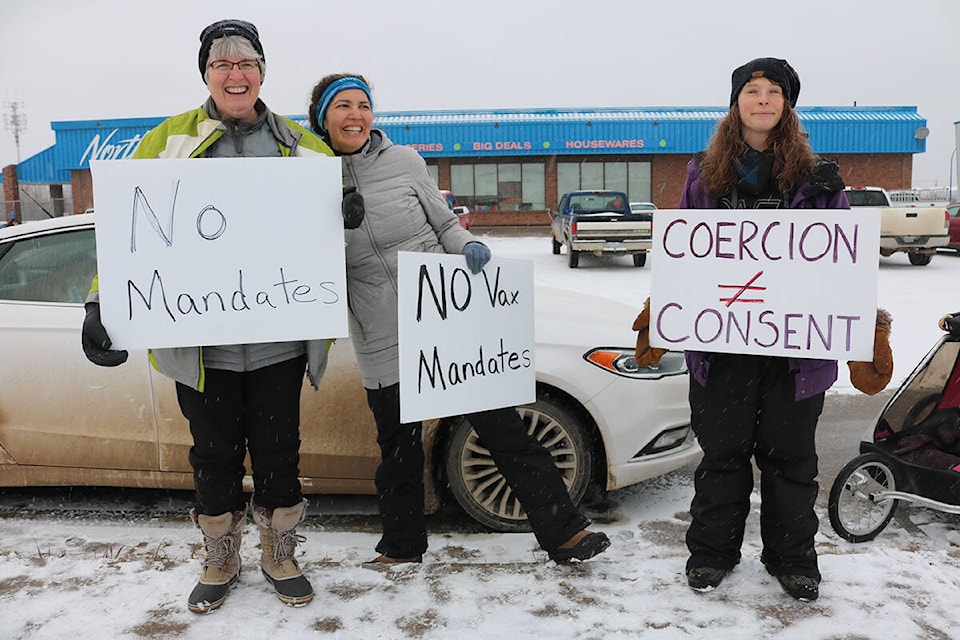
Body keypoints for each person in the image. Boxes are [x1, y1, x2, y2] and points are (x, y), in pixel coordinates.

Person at [79, 19, 356, 614]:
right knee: (213, 456)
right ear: (206, 74)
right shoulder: (168, 140)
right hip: (200, 344)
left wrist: (343, 209)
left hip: (280, 341)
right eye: (222, 64)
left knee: (281, 453)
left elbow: (328, 228)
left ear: (262, 73)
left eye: (247, 64)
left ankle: (280, 552)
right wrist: (102, 300)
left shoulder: (300, 146)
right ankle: (220, 554)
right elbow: (126, 230)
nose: (236, 74)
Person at [307, 73, 610, 565]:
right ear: (322, 118)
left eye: (363, 104)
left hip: (447, 318)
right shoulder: (310, 176)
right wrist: (331, 225)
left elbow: (444, 221)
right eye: (343, 105)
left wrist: (468, 246)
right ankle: (402, 548)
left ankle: (566, 533)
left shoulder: (403, 162)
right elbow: (306, 265)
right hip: (378, 329)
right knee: (398, 450)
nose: (356, 115)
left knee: (504, 432)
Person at [632, 58, 893, 602]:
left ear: (787, 106)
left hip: (796, 352)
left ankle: (792, 559)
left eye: (775, 92)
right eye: (753, 91)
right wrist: (667, 306)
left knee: (791, 462)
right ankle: (712, 554)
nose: (764, 100)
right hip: (721, 346)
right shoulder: (704, 173)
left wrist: (865, 321)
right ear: (737, 103)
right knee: (722, 458)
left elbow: (844, 265)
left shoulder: (819, 176)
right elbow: (686, 254)